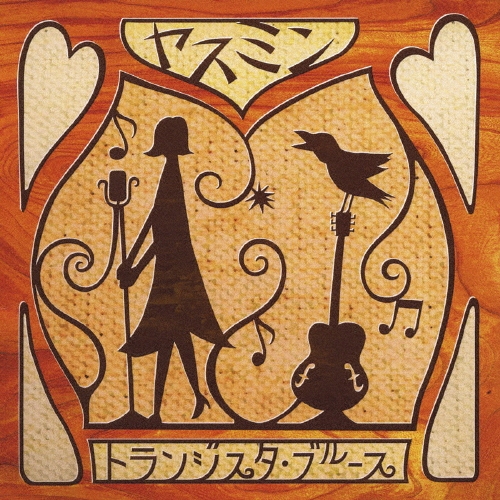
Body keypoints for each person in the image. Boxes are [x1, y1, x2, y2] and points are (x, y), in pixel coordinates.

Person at [117, 116, 229, 425]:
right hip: (172, 267)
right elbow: (155, 220)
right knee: (172, 337)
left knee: (171, 336)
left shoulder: (173, 174)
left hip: (173, 271)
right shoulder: (171, 172)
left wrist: (135, 266)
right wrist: (133, 261)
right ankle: (178, 403)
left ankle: (162, 409)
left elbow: (163, 233)